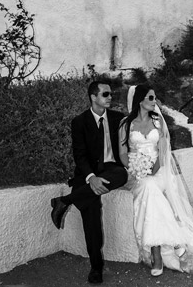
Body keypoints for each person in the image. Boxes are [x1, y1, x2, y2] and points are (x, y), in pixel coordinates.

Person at [118, 84, 193, 277]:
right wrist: (136, 168)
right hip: (136, 173)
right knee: (147, 187)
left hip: (159, 171)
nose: (155, 102)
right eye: (151, 98)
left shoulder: (157, 122)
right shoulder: (125, 124)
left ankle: (157, 255)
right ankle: (175, 242)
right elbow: (122, 153)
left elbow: (163, 152)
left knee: (151, 186)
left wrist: (151, 169)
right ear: (140, 100)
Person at [49, 80, 129, 284]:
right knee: (90, 212)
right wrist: (91, 178)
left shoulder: (118, 119)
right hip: (87, 173)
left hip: (112, 170)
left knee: (122, 174)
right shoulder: (79, 122)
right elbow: (80, 154)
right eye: (105, 94)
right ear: (93, 97)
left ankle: (65, 201)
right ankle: (96, 267)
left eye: (110, 94)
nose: (110, 97)